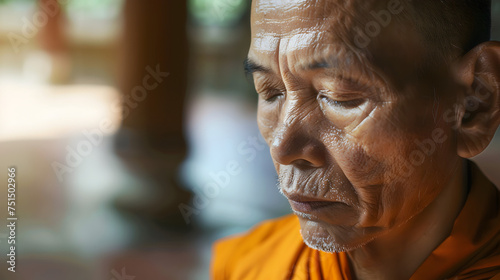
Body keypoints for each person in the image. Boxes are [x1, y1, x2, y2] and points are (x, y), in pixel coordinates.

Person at [211, 0, 500, 279]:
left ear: (474, 102)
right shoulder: (248, 266)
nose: (282, 147)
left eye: (340, 97)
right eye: (271, 92)